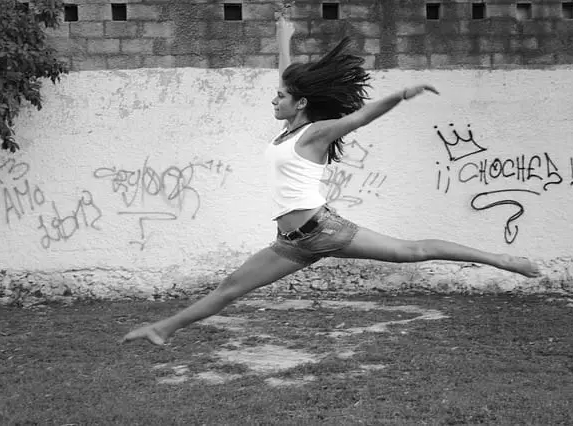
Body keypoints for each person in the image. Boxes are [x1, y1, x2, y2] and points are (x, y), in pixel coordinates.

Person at [122, 17, 540, 346]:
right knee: (231, 287)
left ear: (300, 104)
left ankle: (505, 261)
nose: (274, 99)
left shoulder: (316, 132)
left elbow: (358, 118)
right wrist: (282, 37)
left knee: (411, 251)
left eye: (280, 97)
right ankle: (164, 328)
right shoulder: (290, 130)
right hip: (292, 243)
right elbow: (288, 77)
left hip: (322, 231)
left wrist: (400, 95)